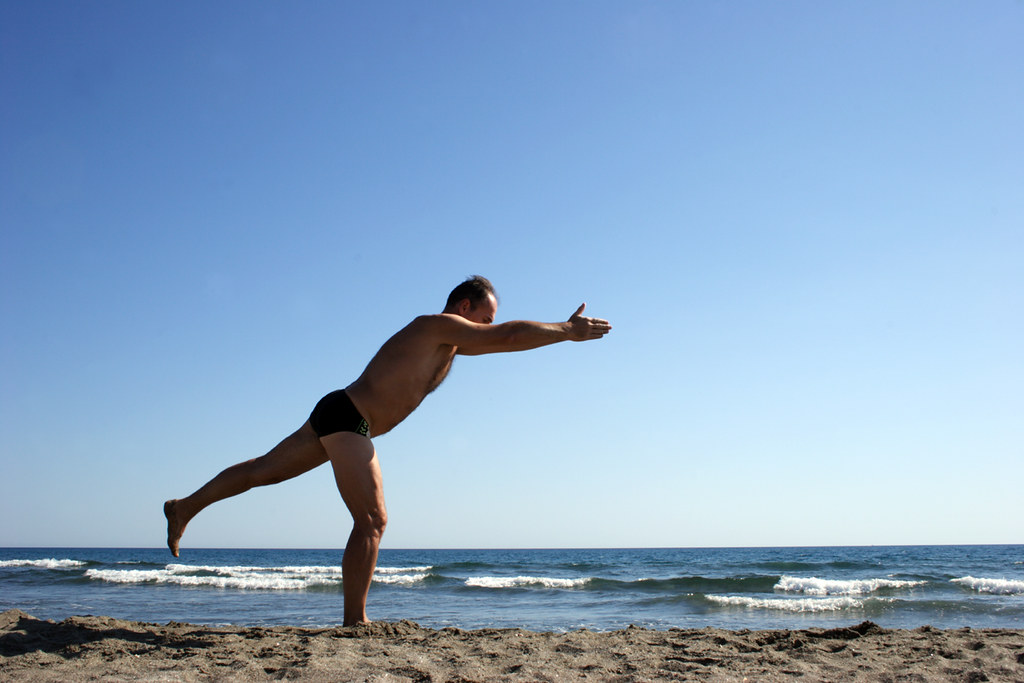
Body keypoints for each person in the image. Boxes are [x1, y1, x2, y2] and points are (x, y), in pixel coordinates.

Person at [163, 275, 612, 625]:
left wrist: (555, 336)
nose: (488, 327)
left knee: (263, 471)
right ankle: (354, 620)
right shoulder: (434, 327)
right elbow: (508, 336)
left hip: (342, 414)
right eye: (485, 317)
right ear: (464, 306)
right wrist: (568, 330)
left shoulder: (451, 345)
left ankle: (183, 508)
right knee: (373, 520)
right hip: (349, 418)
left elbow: (509, 341)